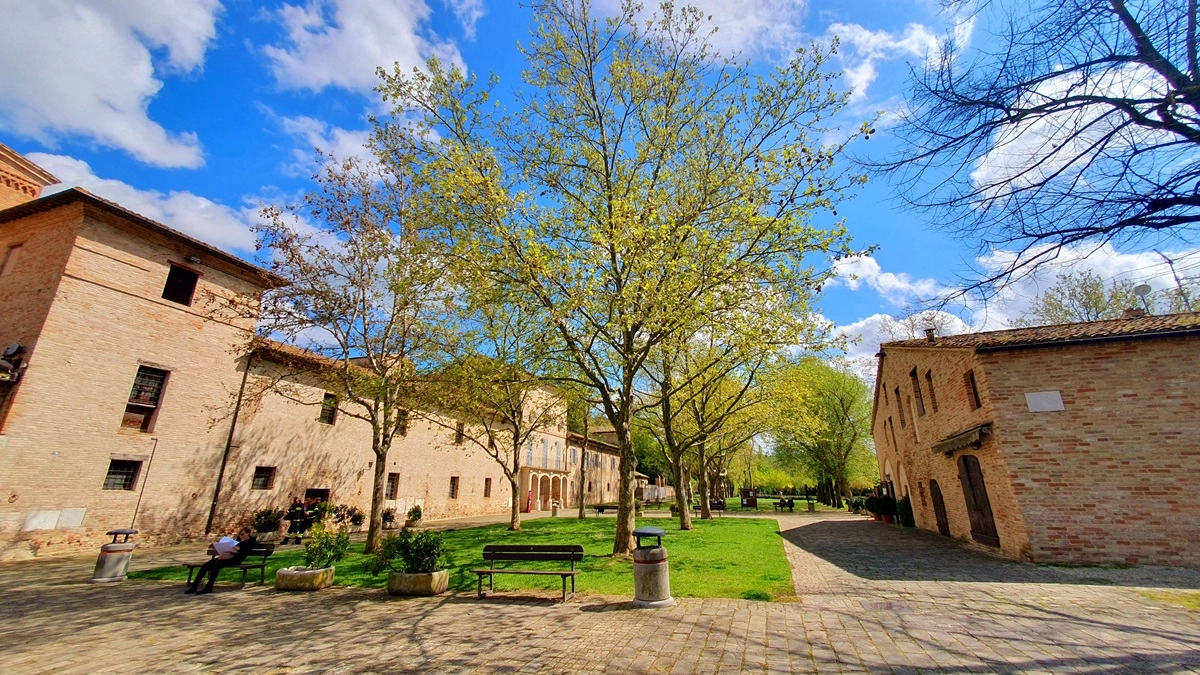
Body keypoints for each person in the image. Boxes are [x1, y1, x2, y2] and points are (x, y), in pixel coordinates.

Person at [185, 527, 256, 595]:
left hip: (235, 559)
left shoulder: (250, 541)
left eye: (242, 534)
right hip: (226, 556)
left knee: (216, 565)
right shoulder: (238, 540)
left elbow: (246, 551)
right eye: (240, 534)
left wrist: (239, 549)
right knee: (205, 566)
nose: (240, 536)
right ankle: (194, 586)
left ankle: (209, 587)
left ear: (248, 533)